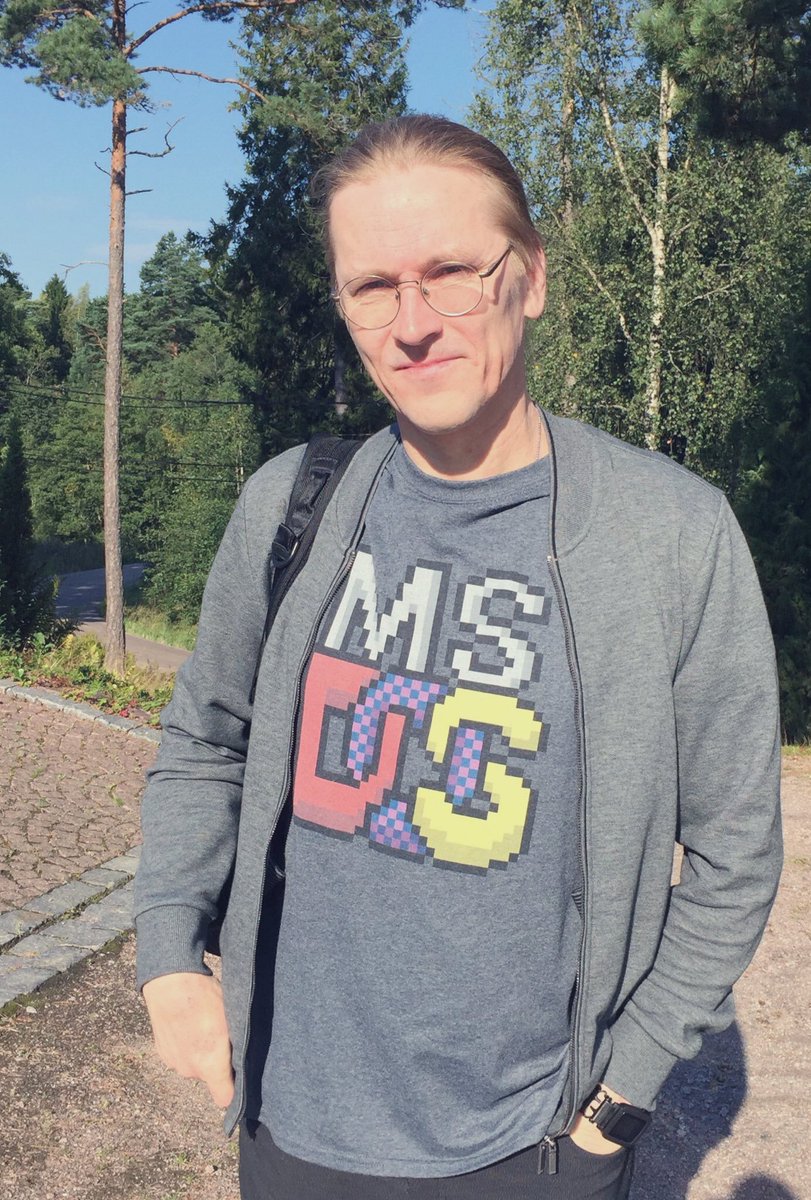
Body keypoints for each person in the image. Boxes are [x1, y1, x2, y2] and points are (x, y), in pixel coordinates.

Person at [135, 116, 783, 1200]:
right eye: (372, 287)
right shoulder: (291, 504)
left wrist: (620, 1097)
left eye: (450, 274)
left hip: (533, 1151)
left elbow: (734, 850)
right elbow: (207, 742)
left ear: (530, 278)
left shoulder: (671, 535)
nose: (412, 325)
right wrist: (167, 955)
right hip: (292, 1126)